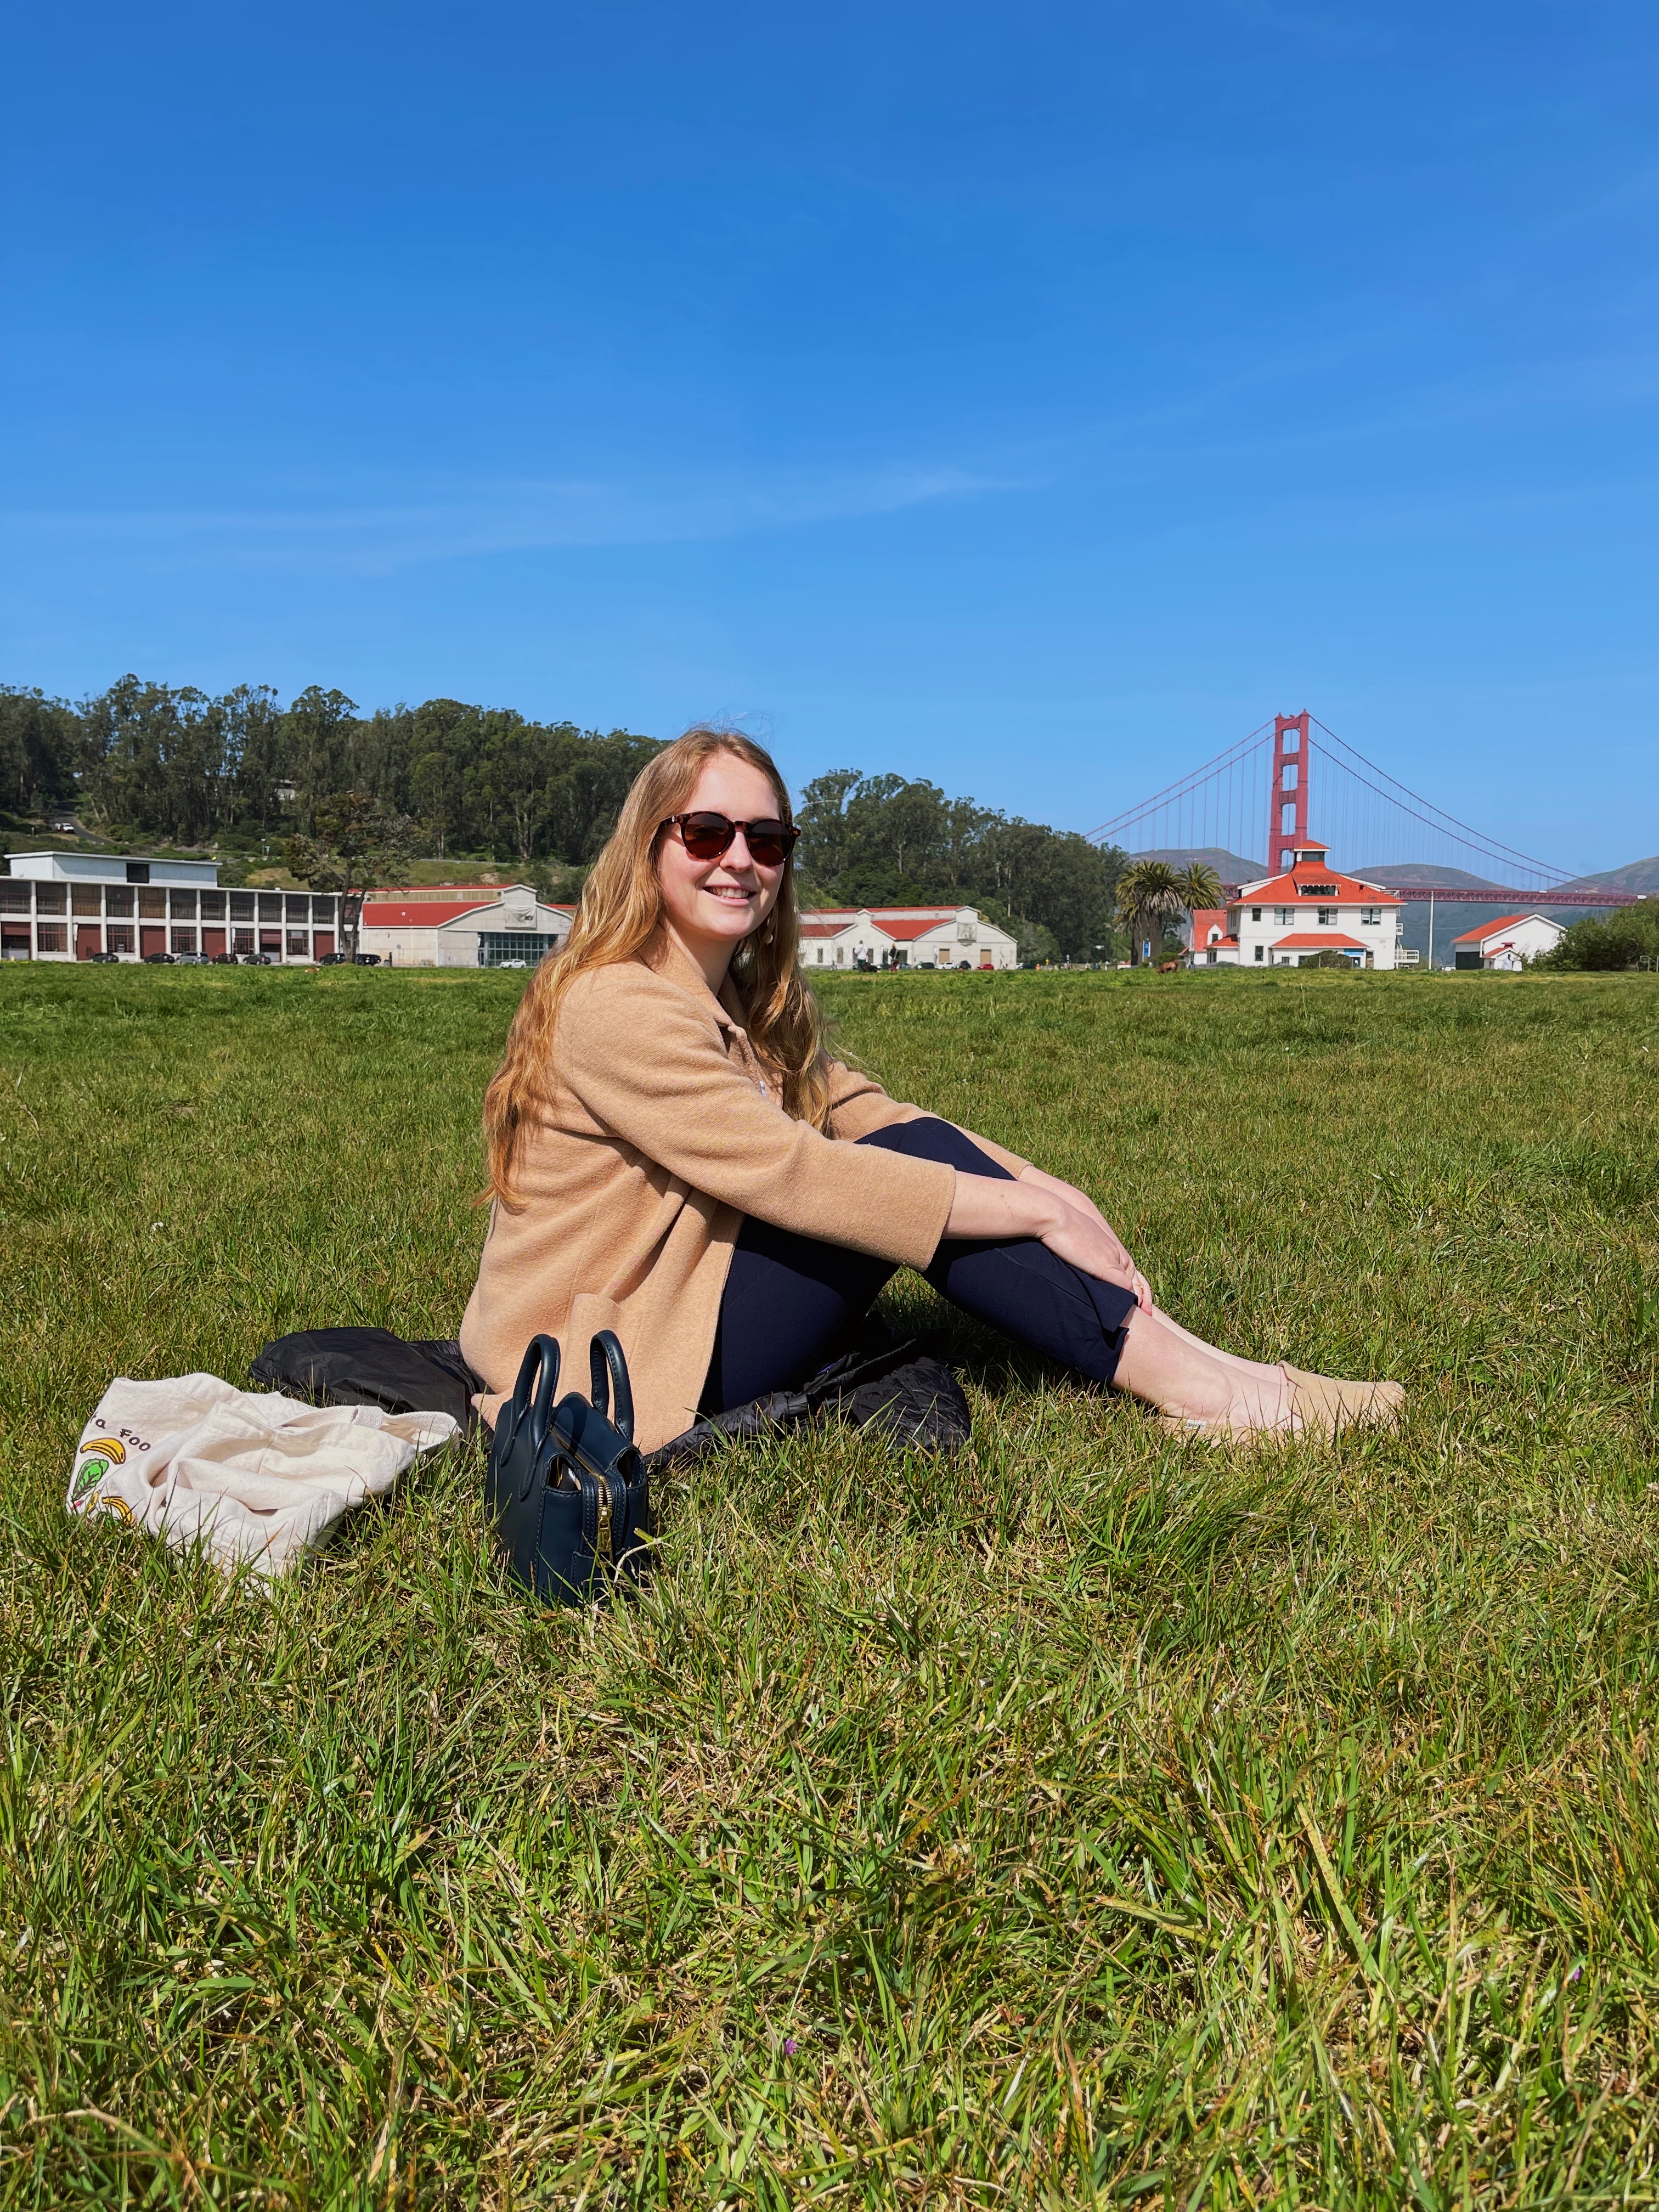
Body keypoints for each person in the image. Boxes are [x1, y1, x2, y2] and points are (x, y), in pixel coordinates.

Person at [460, 729, 1404, 1454]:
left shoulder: (736, 997)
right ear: (650, 846)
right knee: (903, 1181)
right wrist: (1032, 1215)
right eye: (707, 832)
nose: (739, 859)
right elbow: (790, 1173)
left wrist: (1047, 1188)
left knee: (912, 1152)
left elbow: (870, 1114)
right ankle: (1214, 1397)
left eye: (767, 839)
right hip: (601, 1356)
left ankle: (1226, 1376)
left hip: (679, 1301)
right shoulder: (615, 1004)